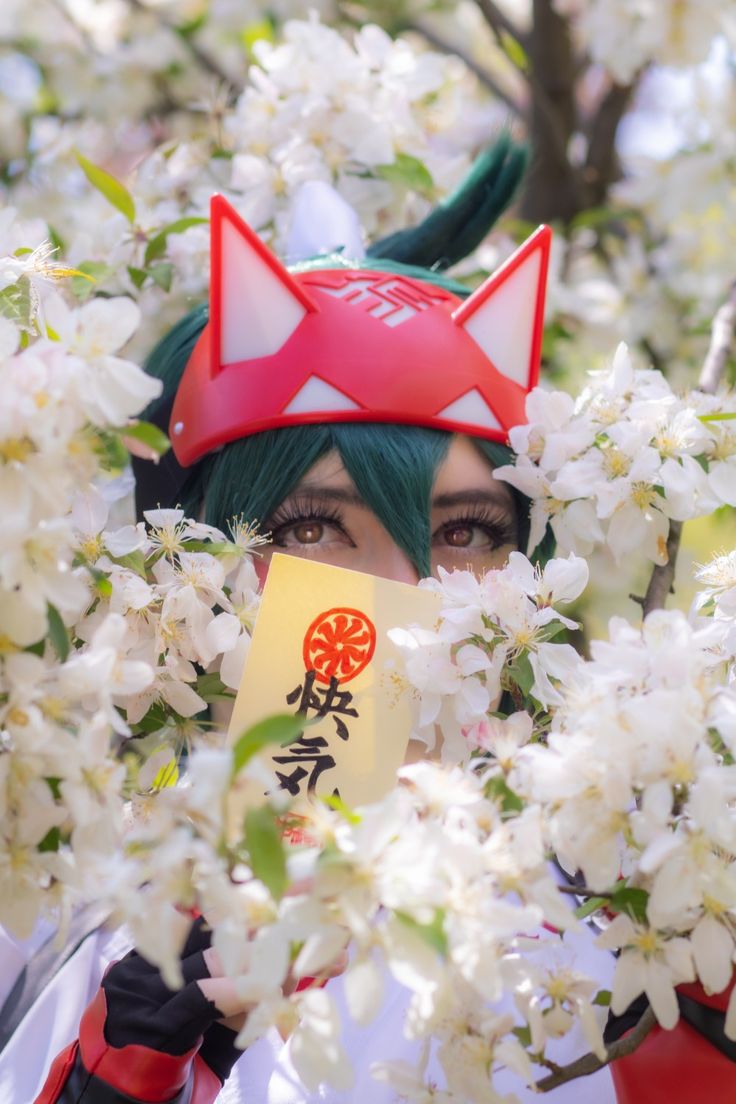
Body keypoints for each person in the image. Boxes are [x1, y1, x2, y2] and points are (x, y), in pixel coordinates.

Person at [7, 139, 732, 1104]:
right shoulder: (71, 907)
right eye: (313, 526)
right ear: (179, 571)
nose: (406, 595)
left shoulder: (635, 932)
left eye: (466, 532)